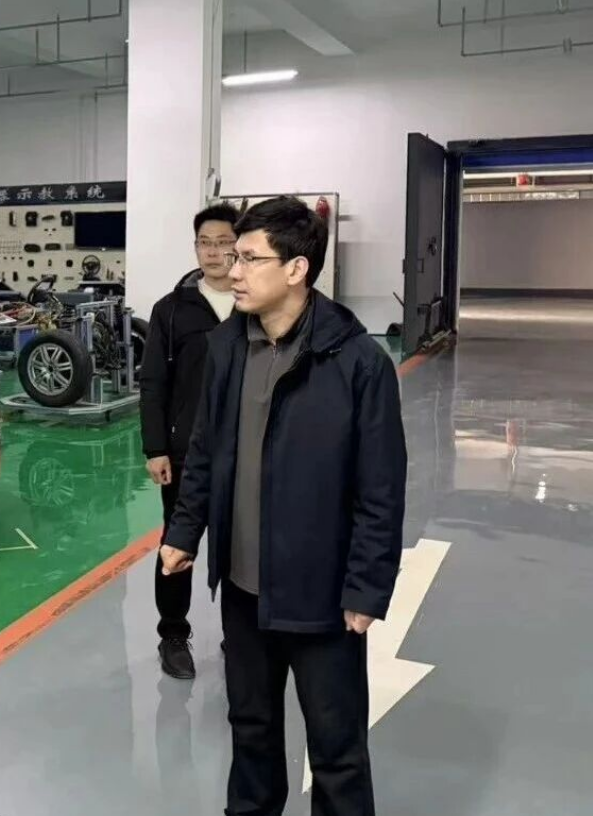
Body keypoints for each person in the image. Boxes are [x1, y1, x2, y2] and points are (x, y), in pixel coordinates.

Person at [160, 196, 407, 816]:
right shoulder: (228, 346)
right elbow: (206, 449)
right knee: (251, 731)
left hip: (322, 598)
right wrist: (184, 531)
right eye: (231, 256)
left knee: (336, 749)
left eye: (249, 258)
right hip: (245, 591)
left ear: (296, 269)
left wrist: (366, 587)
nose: (232, 270)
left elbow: (380, 489)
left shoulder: (357, 363)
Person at [138, 202, 240, 680]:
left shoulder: (254, 302)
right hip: (186, 454)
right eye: (205, 243)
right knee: (177, 545)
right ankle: (174, 635)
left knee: (241, 547)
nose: (214, 252)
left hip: (246, 450)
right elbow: (153, 383)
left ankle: (239, 634)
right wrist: (156, 447)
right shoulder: (172, 310)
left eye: (224, 242)